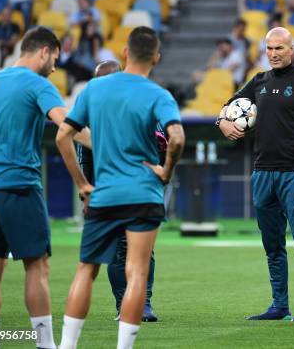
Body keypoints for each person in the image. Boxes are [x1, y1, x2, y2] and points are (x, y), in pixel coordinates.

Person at [56, 26, 185, 348]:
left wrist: (83, 184)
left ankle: (67, 345)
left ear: (125, 52)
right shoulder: (158, 94)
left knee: (86, 270)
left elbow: (62, 136)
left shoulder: (93, 89)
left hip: (105, 194)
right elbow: (178, 137)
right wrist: (166, 171)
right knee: (137, 272)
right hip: (144, 192)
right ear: (156, 57)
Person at [0, 26, 90, 349]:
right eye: (55, 58)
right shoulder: (40, 85)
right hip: (20, 185)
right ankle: (45, 345)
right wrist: (104, 145)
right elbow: (67, 126)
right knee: (37, 266)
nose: (55, 66)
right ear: (43, 51)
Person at [217, 27, 294, 322]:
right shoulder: (258, 81)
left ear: (293, 49)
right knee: (272, 243)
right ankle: (279, 305)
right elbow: (227, 107)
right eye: (269, 49)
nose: (274, 54)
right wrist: (222, 123)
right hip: (263, 172)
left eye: (279, 48)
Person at [76, 60, 161, 323]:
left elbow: (159, 146)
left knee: (142, 250)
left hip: (139, 189)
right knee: (116, 251)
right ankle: (124, 304)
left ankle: (143, 303)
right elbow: (85, 158)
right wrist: (87, 190)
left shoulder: (140, 107)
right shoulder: (91, 115)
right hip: (107, 193)